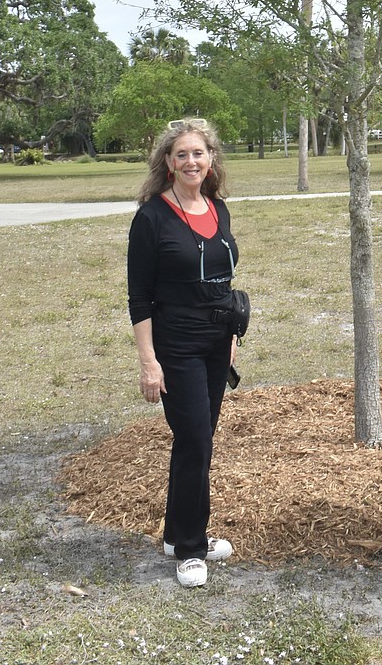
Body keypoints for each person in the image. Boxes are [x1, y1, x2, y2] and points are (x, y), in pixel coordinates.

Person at [127, 118, 240, 589]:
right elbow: (139, 297)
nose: (191, 161)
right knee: (195, 438)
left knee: (199, 440)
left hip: (217, 342)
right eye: (181, 155)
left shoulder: (218, 208)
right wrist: (149, 362)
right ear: (167, 164)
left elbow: (226, 281)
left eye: (199, 153)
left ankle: (179, 533)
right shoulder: (151, 217)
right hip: (176, 346)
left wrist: (231, 338)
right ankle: (191, 549)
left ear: (211, 160)